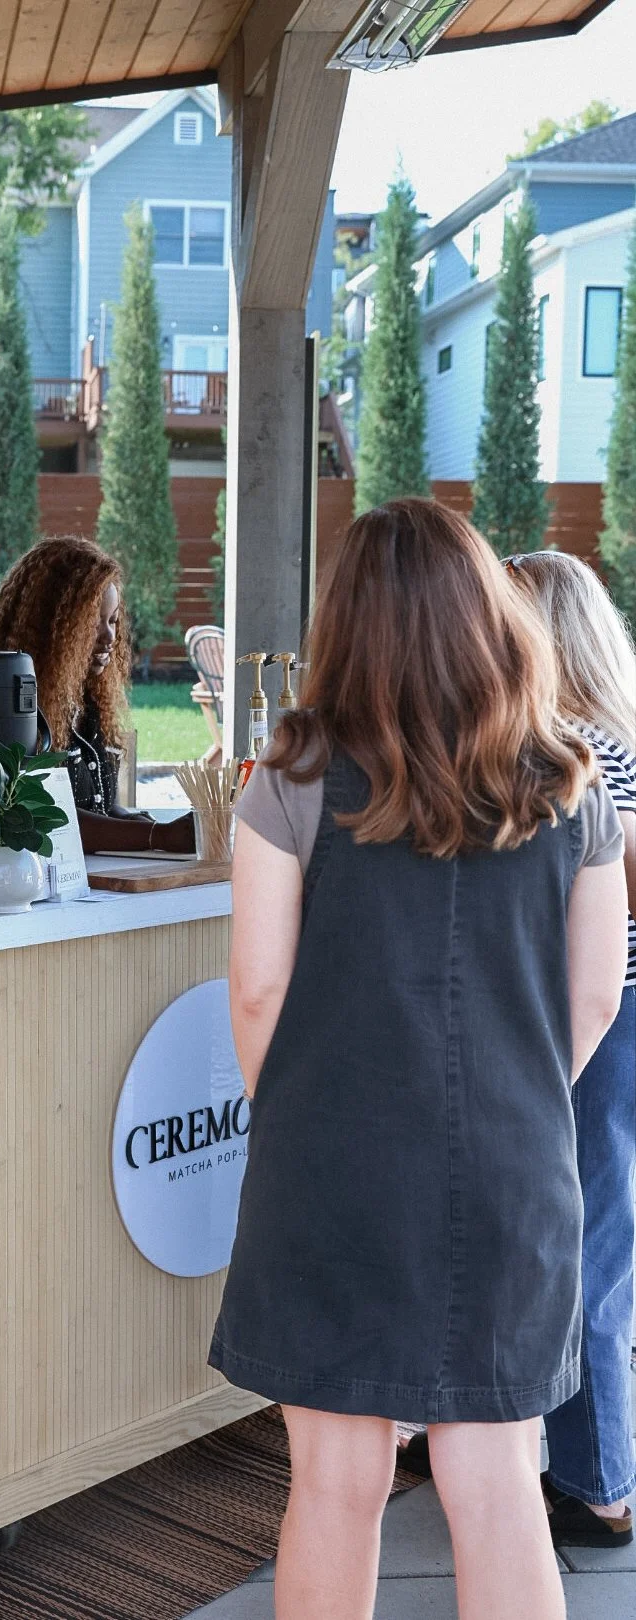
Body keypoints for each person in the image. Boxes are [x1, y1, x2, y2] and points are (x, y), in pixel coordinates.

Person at [209, 499, 628, 1620]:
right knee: (497, 1490)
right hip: (514, 1170)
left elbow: (256, 989)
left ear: (346, 621)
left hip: (332, 1169)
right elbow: (596, 994)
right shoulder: (565, 774)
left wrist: (305, 1117)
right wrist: (519, 1100)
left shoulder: (289, 770)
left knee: (334, 1488)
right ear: (487, 612)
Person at [503, 550, 636, 1548]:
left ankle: (596, 1481)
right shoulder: (618, 737)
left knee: (577, 1247)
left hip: (590, 1014)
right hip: (623, 1012)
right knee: (604, 1244)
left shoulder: (569, 747)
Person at [0, 535, 194, 855]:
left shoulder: (85, 700)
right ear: (53, 626)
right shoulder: (11, 706)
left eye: (113, 620)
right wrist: (155, 837)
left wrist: (138, 824)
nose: (110, 637)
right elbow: (38, 818)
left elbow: (98, 806)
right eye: (93, 623)